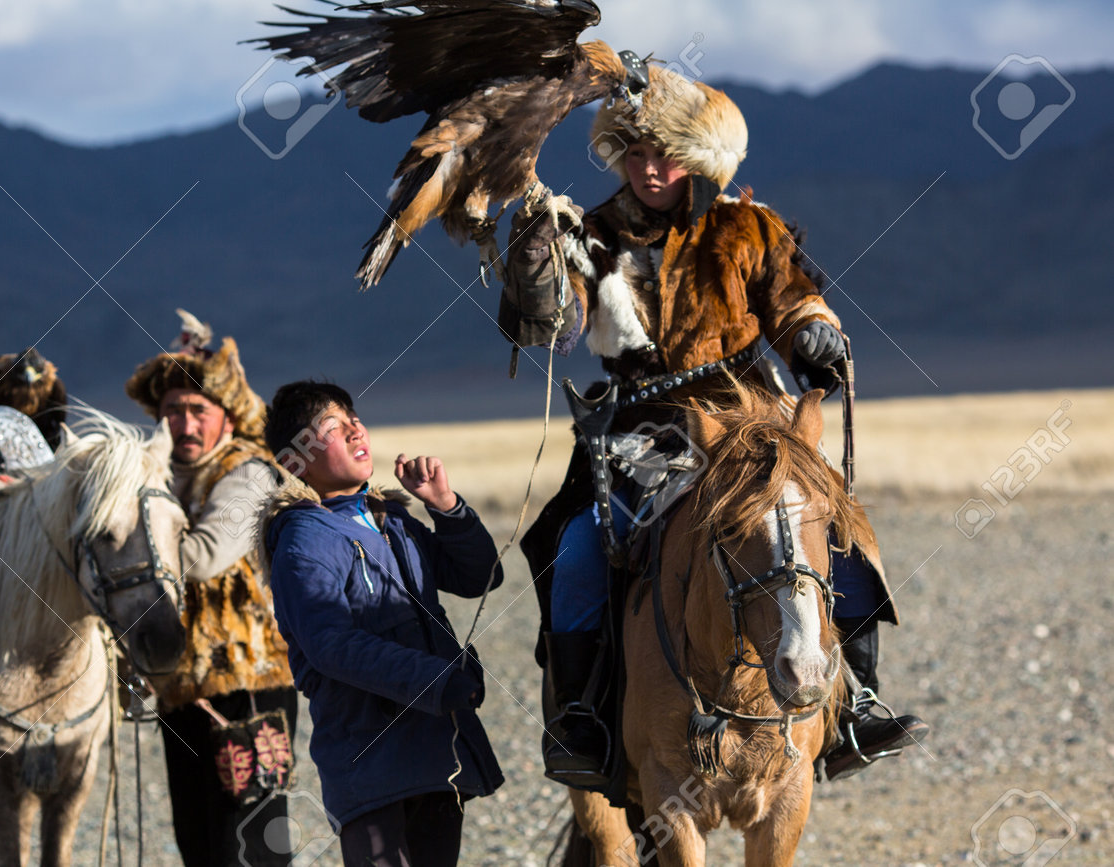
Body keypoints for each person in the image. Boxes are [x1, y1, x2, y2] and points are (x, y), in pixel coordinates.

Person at [500, 64, 929, 782]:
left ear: (696, 157)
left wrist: (814, 334)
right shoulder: (594, 233)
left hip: (751, 418)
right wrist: (537, 260)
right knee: (576, 549)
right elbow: (560, 328)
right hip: (643, 430)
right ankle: (582, 717)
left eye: (663, 154)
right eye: (634, 154)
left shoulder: (746, 227)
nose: (648, 169)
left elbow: (793, 301)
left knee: (841, 530)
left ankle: (854, 703)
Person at [260, 380, 504, 867]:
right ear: (295, 462)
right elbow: (333, 644)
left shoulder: (392, 522)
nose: (355, 432)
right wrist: (435, 681)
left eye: (355, 421)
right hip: (370, 763)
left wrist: (446, 506)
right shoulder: (303, 540)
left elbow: (480, 576)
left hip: (437, 752)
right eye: (332, 427)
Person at [123, 310, 296, 865]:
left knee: (249, 840)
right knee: (197, 841)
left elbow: (200, 557)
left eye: (199, 410)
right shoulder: (160, 479)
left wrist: (127, 546)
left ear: (227, 416)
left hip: (246, 683)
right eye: (173, 411)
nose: (184, 424)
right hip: (180, 690)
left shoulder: (248, 471)